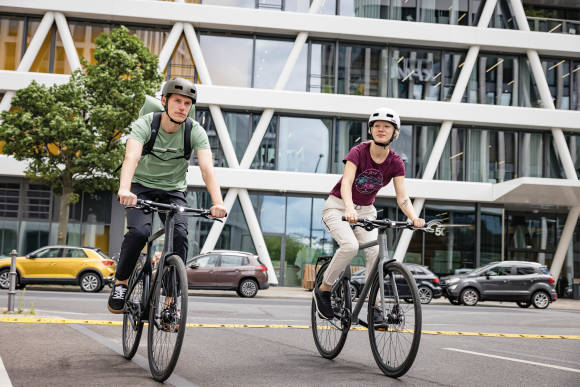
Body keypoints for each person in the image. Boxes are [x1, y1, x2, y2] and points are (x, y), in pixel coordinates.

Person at [108, 78, 227, 314]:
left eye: (187, 103)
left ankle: (171, 303)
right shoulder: (145, 124)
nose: (183, 107)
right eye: (177, 101)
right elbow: (130, 157)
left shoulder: (195, 131)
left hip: (173, 191)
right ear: (164, 101)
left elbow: (207, 169)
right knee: (140, 232)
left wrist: (218, 202)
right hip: (140, 187)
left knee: (180, 237)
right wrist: (125, 189)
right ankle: (121, 283)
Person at [313, 107, 425, 320]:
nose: (381, 129)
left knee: (376, 255)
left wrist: (413, 217)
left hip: (366, 211)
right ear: (371, 130)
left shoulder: (395, 162)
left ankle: (375, 307)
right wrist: (348, 207)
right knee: (350, 246)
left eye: (387, 127)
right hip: (338, 206)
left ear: (395, 133)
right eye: (377, 126)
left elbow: (402, 197)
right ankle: (325, 289)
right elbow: (346, 183)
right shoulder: (359, 152)